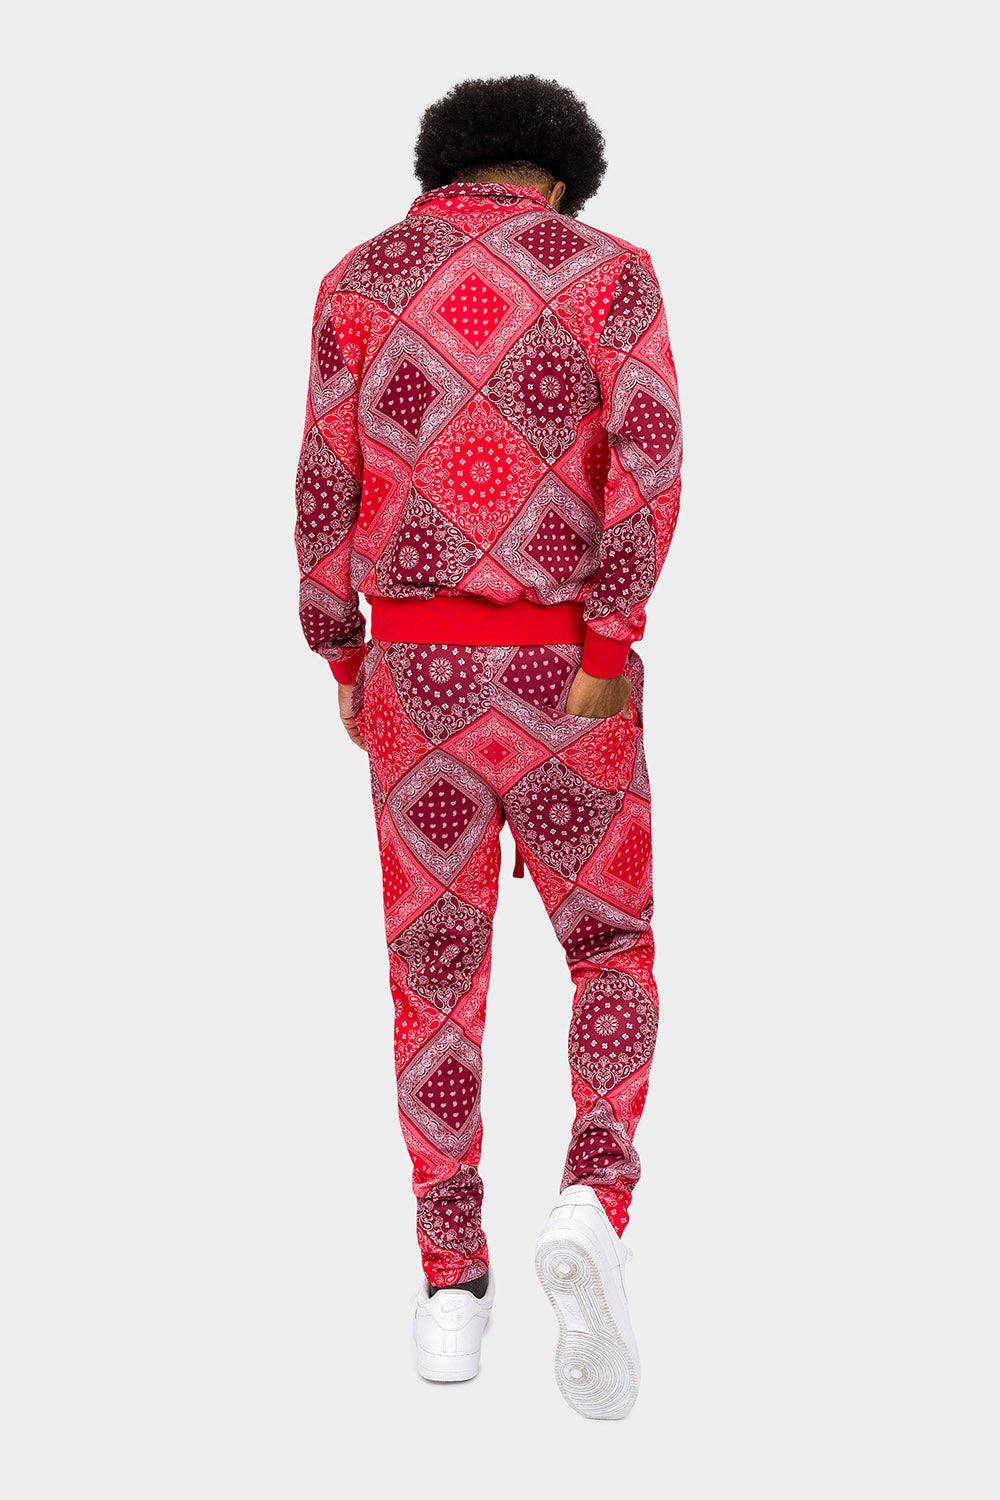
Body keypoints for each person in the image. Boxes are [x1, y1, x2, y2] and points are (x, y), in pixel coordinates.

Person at [293, 73, 682, 1419]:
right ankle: (592, 1201)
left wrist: (345, 653)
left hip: (417, 679)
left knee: (434, 976)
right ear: (561, 176)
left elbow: (322, 489)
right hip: (572, 676)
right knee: (610, 950)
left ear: (445, 166)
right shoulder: (610, 273)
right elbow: (650, 463)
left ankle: (451, 1290)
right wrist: (608, 644)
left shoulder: (358, 280)